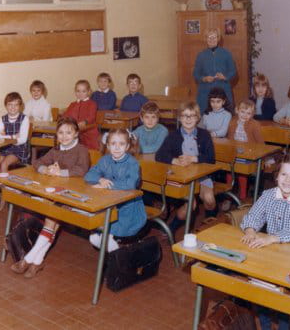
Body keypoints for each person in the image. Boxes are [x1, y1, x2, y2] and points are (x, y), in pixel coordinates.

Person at [240, 153, 290, 330]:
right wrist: (250, 230)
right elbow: (253, 215)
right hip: (274, 252)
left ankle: (284, 326)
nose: (287, 180)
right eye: (283, 174)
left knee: (286, 297)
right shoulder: (268, 195)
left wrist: (273, 237)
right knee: (258, 285)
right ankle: (265, 325)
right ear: (276, 176)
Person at [10, 117, 90, 278]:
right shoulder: (56, 150)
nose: (64, 136)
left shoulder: (81, 150)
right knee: (52, 221)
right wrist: (45, 169)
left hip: (74, 196)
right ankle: (37, 261)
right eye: (61, 133)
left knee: (52, 219)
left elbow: (82, 170)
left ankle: (28, 259)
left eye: (68, 133)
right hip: (57, 193)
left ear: (76, 134)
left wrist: (61, 173)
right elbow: (37, 162)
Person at [156, 101, 216, 234]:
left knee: (209, 199)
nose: (188, 119)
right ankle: (171, 228)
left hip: (202, 176)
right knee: (190, 205)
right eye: (184, 116)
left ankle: (210, 222)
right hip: (183, 177)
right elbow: (160, 155)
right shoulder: (173, 136)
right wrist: (175, 160)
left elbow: (211, 158)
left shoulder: (204, 135)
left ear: (197, 118)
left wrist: (193, 158)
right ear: (179, 118)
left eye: (192, 116)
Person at [85, 128, 146, 252]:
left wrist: (108, 185)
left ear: (127, 146)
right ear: (108, 145)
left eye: (121, 144)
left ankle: (113, 248)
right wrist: (101, 179)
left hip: (129, 205)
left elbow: (131, 184)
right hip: (109, 201)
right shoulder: (105, 160)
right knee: (96, 226)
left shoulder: (132, 163)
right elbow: (89, 175)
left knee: (109, 228)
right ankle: (109, 243)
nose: (117, 148)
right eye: (113, 144)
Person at [0, 92, 31, 210]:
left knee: (4, 164)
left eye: (16, 105)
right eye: (10, 105)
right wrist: (13, 136)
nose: (13, 107)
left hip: (19, 149)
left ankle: (5, 194)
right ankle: (4, 187)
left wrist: (6, 136)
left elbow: (22, 140)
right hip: (5, 148)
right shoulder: (2, 119)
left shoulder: (24, 119)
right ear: (6, 105)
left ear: (20, 106)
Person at [227, 99, 265, 200]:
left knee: (241, 168)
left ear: (252, 114)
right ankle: (228, 192)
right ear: (237, 110)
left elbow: (260, 143)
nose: (245, 115)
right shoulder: (232, 122)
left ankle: (243, 194)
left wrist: (266, 158)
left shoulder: (254, 124)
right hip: (235, 152)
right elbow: (229, 139)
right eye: (242, 112)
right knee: (228, 167)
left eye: (248, 113)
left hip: (249, 154)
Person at [193, 28, 236, 113]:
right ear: (206, 39)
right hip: (205, 90)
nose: (212, 40)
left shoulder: (226, 53)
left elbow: (233, 71)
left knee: (225, 114)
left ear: (218, 38)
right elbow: (196, 74)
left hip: (223, 88)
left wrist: (225, 77)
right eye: (209, 37)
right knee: (205, 115)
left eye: (214, 37)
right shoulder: (201, 55)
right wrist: (204, 78)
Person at [62, 79, 101, 150]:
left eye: (83, 91)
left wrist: (85, 122)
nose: (80, 94)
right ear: (75, 92)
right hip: (74, 131)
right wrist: (63, 120)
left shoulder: (92, 104)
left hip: (88, 130)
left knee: (89, 147)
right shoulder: (73, 104)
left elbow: (91, 117)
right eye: (78, 91)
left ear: (89, 92)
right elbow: (66, 115)